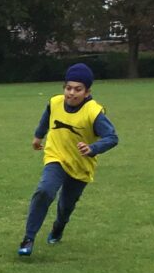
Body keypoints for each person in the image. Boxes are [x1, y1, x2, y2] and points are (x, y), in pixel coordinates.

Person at [17, 63, 118, 257]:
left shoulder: (93, 112)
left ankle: (58, 228)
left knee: (65, 206)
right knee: (44, 191)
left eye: (78, 89)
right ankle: (28, 239)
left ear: (87, 92)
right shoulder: (55, 102)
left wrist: (92, 148)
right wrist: (38, 136)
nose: (71, 93)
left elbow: (112, 137)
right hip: (56, 156)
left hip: (80, 164)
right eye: (68, 88)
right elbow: (47, 117)